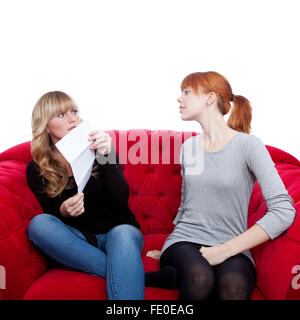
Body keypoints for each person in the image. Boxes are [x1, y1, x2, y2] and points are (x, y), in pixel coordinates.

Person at [145, 71, 296, 300]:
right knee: (199, 277)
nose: (179, 98)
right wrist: (171, 247)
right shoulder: (189, 148)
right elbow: (187, 202)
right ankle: (177, 270)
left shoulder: (248, 146)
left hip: (231, 243)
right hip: (185, 240)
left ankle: (173, 276)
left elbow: (284, 210)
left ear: (210, 98)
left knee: (233, 287)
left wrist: (223, 251)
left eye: (186, 92)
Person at [26, 91, 144, 300]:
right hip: (81, 240)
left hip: (120, 232)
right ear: (45, 124)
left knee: (123, 234)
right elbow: (52, 217)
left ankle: (128, 274)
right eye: (61, 115)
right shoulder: (37, 168)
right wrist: (63, 211)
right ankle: (144, 276)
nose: (73, 118)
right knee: (39, 224)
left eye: (74, 111)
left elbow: (120, 199)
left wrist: (107, 155)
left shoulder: (99, 148)